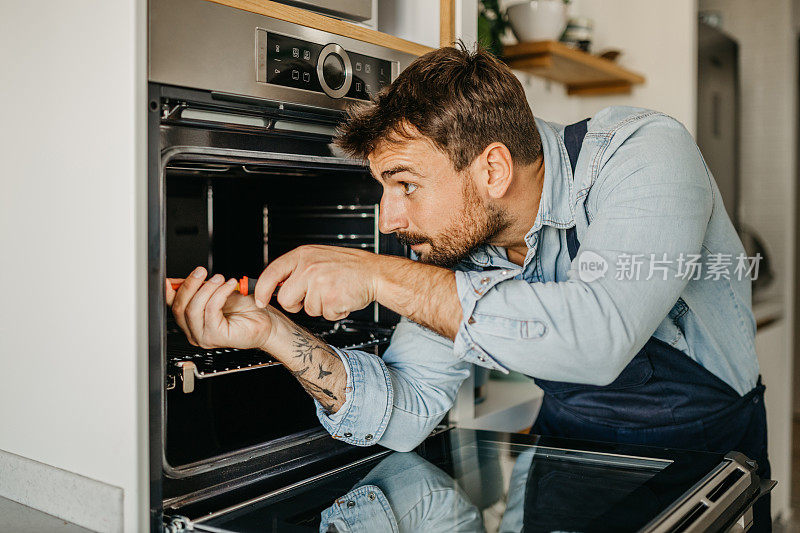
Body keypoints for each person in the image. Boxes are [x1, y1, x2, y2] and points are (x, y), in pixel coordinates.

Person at [166, 44, 770, 529]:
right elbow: (404, 413)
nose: (388, 219)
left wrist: (378, 275)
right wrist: (271, 332)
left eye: (404, 185)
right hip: (567, 459)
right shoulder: (467, 246)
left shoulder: (642, 154)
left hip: (707, 461)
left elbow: (597, 335)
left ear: (493, 170)